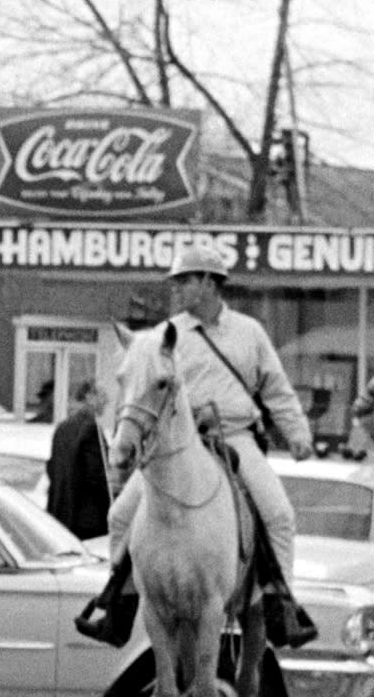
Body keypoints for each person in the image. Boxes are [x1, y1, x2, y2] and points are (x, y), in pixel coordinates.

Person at [76, 241, 318, 649]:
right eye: (177, 281)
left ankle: (281, 604)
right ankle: (118, 606)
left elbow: (275, 388)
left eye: (185, 280)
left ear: (209, 282)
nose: (178, 289)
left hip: (236, 435)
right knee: (120, 515)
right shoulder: (163, 336)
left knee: (279, 514)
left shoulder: (249, 332)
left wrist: (297, 433)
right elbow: (137, 386)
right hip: (176, 443)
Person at [46, 378, 111, 542]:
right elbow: (97, 478)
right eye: (103, 396)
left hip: (61, 517)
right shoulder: (91, 429)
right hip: (88, 522)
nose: (107, 401)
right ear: (89, 397)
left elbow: (52, 470)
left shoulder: (61, 428)